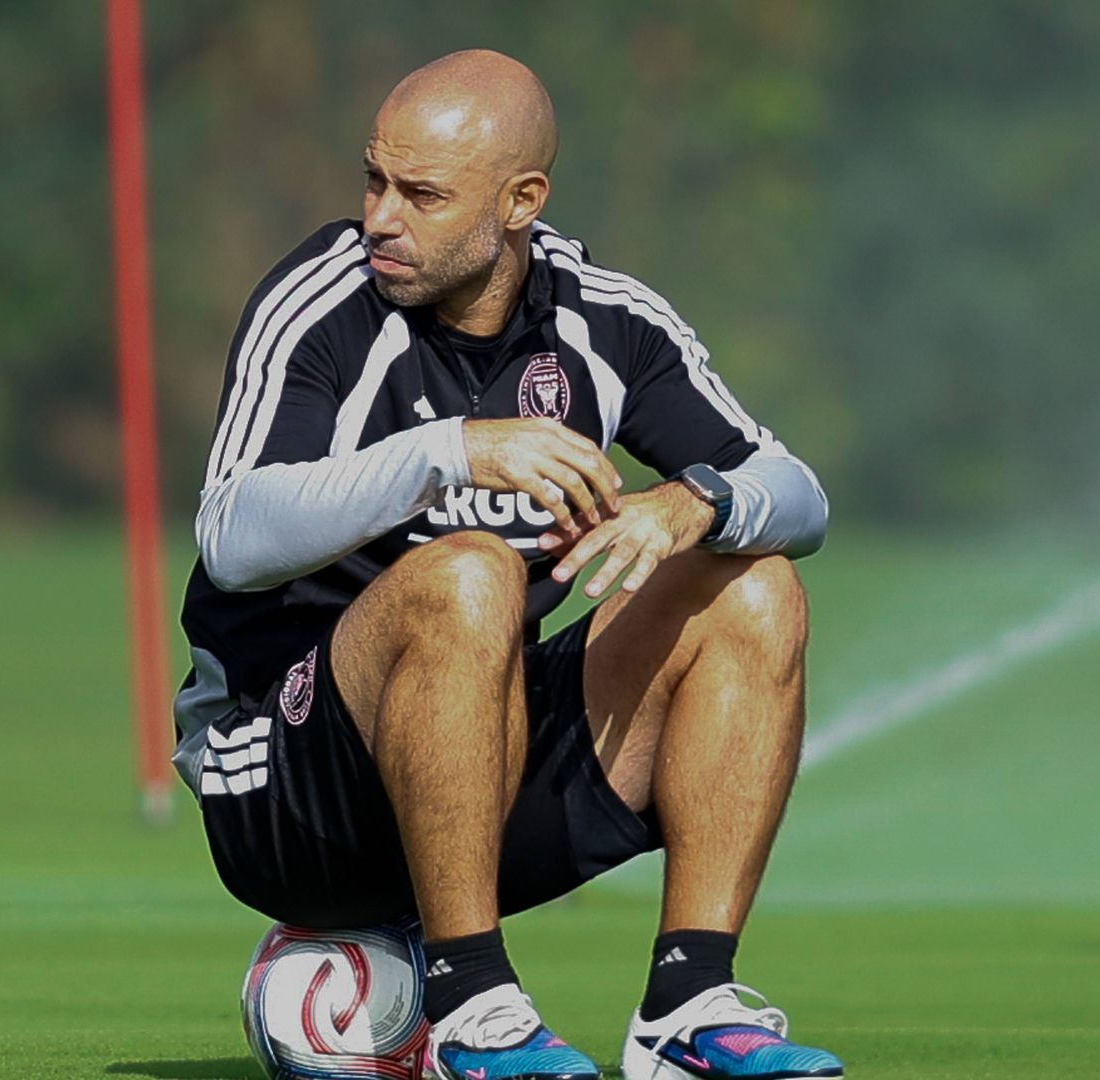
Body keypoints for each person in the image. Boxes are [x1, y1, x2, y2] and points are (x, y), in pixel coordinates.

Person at [173, 49, 843, 1080]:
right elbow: (233, 534)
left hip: (476, 776)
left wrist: (691, 502)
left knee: (755, 582)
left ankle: (689, 1009)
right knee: (471, 571)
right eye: (374, 179)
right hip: (285, 787)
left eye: (423, 194)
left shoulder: (605, 319)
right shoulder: (321, 300)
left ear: (522, 201)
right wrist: (452, 453)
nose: (382, 217)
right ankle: (473, 1008)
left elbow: (799, 495)